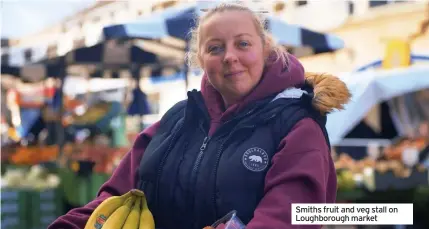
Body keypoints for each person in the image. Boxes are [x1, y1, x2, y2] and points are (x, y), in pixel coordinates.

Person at [49, 3, 351, 229]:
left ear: (265, 48)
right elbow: (115, 198)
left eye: (243, 44)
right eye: (215, 47)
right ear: (201, 59)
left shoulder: (299, 128)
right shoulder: (176, 120)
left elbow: (289, 218)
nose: (230, 56)